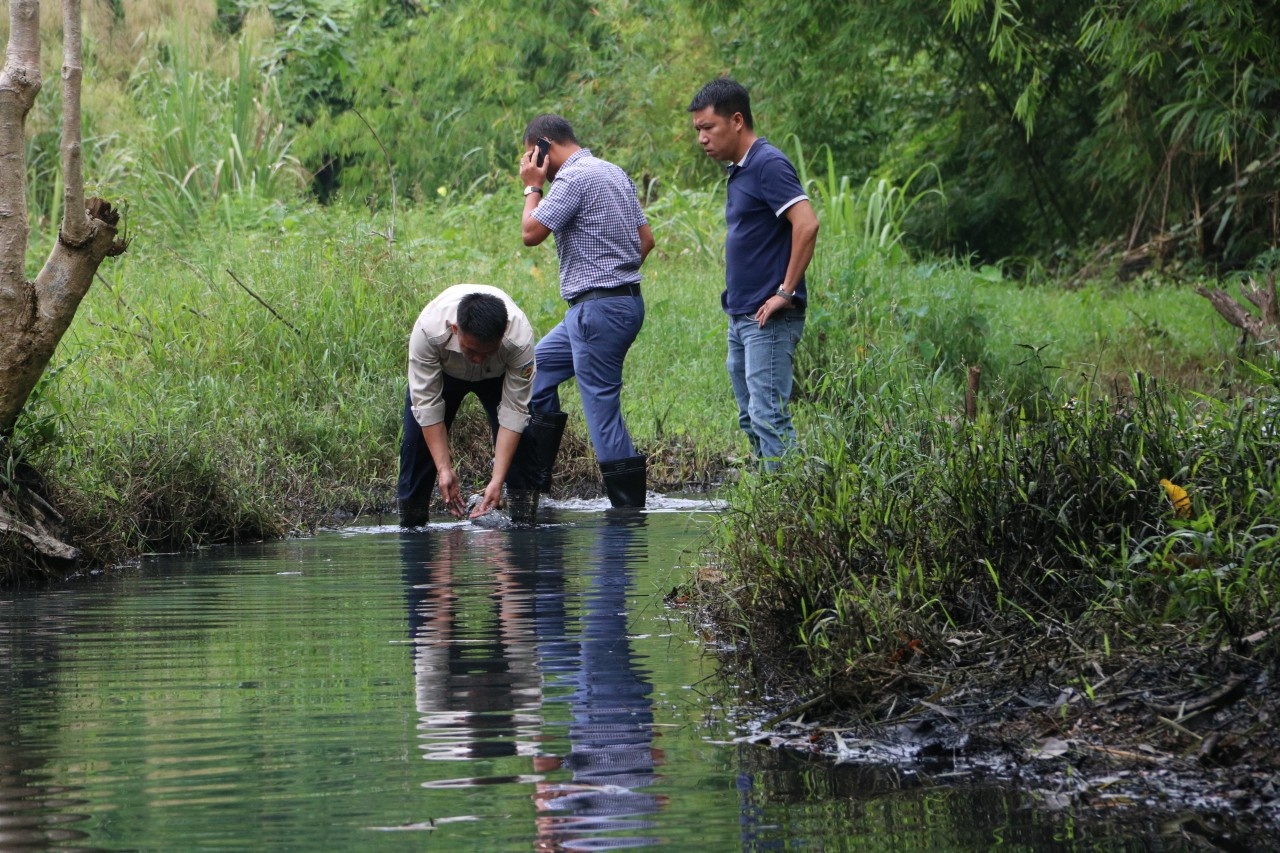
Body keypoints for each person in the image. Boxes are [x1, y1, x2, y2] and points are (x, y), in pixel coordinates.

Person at [517, 114, 656, 508]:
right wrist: (618, 276)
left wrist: (532, 186)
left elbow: (530, 233)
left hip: (597, 311)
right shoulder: (614, 172)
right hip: (613, 306)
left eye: (531, 154)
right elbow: (645, 239)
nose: (529, 162)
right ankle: (534, 488)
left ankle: (629, 512)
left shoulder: (572, 179)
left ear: (543, 146)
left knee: (602, 412)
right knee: (534, 372)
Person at [687, 78, 819, 472]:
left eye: (708, 128)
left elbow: (807, 224)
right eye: (698, 131)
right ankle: (772, 508)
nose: (702, 139)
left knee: (768, 418)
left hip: (770, 318)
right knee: (750, 418)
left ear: (737, 121)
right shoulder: (740, 170)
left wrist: (785, 291)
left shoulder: (768, 163)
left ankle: (794, 510)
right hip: (742, 316)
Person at [397, 284, 540, 526]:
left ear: (503, 333)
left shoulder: (519, 340)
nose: (477, 359)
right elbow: (427, 406)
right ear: (455, 330)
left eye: (487, 352)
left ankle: (524, 520)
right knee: (417, 445)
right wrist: (444, 469)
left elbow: (515, 412)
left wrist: (497, 480)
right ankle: (412, 522)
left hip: (498, 375)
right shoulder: (428, 331)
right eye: (471, 350)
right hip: (445, 371)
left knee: (524, 442)